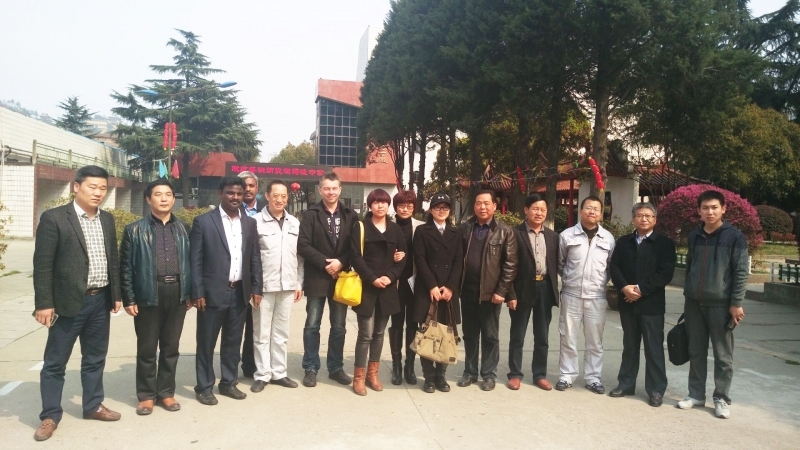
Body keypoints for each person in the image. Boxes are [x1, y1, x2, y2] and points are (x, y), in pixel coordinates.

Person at [32, 165, 123, 441]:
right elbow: (43, 264)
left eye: (103, 188)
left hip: (100, 300)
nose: (98, 193)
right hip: (67, 303)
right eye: (92, 187)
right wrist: (44, 303)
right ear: (76, 187)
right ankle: (50, 415)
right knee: (55, 362)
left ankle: (93, 405)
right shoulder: (54, 218)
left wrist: (116, 294)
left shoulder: (107, 219)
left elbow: (112, 259)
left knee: (95, 358)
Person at [120, 179, 192, 415]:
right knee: (147, 348)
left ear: (173, 199)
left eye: (168, 194)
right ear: (148, 199)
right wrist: (129, 298)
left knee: (171, 347)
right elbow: (126, 267)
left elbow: (192, 263)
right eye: (158, 194)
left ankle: (166, 393)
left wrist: (189, 292)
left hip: (177, 293)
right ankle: (146, 395)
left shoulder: (184, 229)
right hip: (148, 294)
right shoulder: (134, 230)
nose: (164, 199)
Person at [191, 176, 263, 405]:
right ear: (220, 193)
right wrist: (197, 291)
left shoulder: (249, 223)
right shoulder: (203, 222)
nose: (235, 197)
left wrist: (256, 287)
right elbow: (195, 261)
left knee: (233, 341)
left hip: (239, 293)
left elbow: (254, 257)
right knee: (206, 343)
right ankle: (204, 387)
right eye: (231, 193)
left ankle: (228, 383)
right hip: (212, 294)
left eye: (239, 193)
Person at [677, 190, 747, 419]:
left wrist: (736, 303)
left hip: (721, 305)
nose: (710, 212)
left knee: (723, 355)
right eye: (705, 208)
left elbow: (741, 272)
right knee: (696, 351)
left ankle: (721, 398)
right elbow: (690, 267)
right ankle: (696, 394)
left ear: (723, 209)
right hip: (694, 304)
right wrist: (688, 294)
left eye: (714, 207)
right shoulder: (694, 235)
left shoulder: (734, 237)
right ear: (699, 211)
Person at [609, 203, 676, 407]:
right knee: (630, 346)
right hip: (628, 304)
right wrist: (624, 288)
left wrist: (639, 290)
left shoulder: (664, 244)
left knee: (653, 348)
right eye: (639, 215)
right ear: (633, 219)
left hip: (651, 305)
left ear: (655, 220)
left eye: (648, 216)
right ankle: (626, 384)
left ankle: (656, 389)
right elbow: (614, 267)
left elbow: (665, 273)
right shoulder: (624, 242)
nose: (644, 219)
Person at [297, 172, 359, 387]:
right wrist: (326, 264)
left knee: (339, 326)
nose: (330, 192)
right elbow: (303, 245)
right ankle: (310, 367)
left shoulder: (350, 215)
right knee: (312, 325)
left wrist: (340, 263)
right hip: (317, 277)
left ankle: (335, 367)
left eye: (334, 188)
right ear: (320, 190)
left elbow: (356, 247)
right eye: (326, 188)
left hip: (341, 278)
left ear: (340, 190)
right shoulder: (310, 214)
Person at [457, 190, 517, 391]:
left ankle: (489, 375)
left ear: (494, 206)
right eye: (478, 203)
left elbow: (510, 265)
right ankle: (470, 372)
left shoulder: (504, 231)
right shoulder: (465, 229)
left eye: (486, 203)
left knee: (490, 336)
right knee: (470, 334)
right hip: (467, 291)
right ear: (474, 206)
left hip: (491, 294)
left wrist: (502, 291)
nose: (482, 207)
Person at [349, 189, 407, 395]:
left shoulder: (395, 229)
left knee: (380, 333)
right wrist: (372, 278)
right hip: (367, 287)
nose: (380, 206)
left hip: (387, 288)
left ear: (388, 205)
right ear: (370, 205)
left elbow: (402, 258)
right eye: (376, 202)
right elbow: (355, 257)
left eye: (384, 202)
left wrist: (390, 277)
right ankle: (358, 377)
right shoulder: (361, 227)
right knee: (366, 333)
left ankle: (372, 374)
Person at [556, 196, 615, 394]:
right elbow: (560, 263)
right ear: (580, 211)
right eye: (588, 208)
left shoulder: (608, 238)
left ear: (601, 214)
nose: (592, 211)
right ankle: (566, 375)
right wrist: (570, 280)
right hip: (571, 294)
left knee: (595, 341)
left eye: (596, 209)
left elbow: (610, 266)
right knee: (568, 337)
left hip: (596, 296)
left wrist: (599, 283)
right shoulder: (567, 235)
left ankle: (593, 378)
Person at [250, 180, 304, 392]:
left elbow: (299, 257)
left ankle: (279, 373)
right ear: (267, 196)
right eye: (275, 195)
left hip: (288, 286)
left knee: (281, 334)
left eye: (283, 196)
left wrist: (298, 282)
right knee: (261, 333)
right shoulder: (255, 222)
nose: (279, 200)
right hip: (264, 287)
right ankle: (262, 374)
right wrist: (254, 287)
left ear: (287, 197)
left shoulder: (294, 223)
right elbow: (251, 257)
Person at [506, 194, 560, 391]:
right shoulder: (514, 233)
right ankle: (515, 374)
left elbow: (557, 264)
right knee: (517, 335)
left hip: (544, 288)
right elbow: (508, 265)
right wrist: (510, 294)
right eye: (535, 209)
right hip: (522, 289)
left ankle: (540, 374)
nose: (539, 213)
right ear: (526, 210)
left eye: (543, 210)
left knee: (542, 336)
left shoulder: (553, 236)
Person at [413, 192, 463, 393]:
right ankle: (428, 377)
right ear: (431, 210)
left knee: (445, 334)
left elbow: (459, 262)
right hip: (428, 290)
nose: (441, 211)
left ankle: (441, 376)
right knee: (427, 333)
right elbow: (420, 259)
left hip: (448, 293)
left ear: (449, 210)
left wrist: (450, 286)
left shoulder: (456, 233)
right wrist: (432, 286)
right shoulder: (422, 231)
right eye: (437, 207)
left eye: (445, 207)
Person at [389, 190, 424, 385]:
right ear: (395, 207)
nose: (405, 209)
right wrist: (390, 257)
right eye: (401, 206)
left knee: (413, 324)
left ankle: (409, 365)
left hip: (415, 283)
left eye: (409, 206)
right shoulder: (388, 226)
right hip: (395, 283)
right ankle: (396, 366)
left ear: (414, 208)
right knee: (396, 324)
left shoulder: (421, 227)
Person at [238, 171, 268, 379]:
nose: (247, 189)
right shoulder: (230, 209)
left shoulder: (266, 211)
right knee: (234, 326)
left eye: (251, 185)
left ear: (257, 188)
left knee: (254, 326)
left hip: (258, 278)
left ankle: (250, 365)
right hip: (236, 277)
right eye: (244, 185)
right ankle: (230, 367)